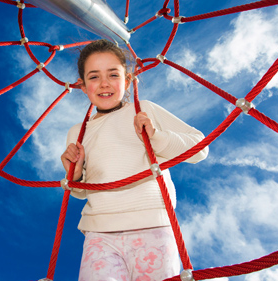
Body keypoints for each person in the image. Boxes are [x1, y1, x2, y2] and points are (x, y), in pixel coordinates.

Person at [61, 39, 208, 281]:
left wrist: (156, 137)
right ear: (82, 86)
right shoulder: (78, 132)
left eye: (113, 74)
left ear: (128, 80)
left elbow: (199, 149)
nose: (104, 83)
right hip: (99, 233)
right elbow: (81, 189)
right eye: (94, 77)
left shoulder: (143, 111)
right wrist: (74, 175)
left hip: (153, 225)